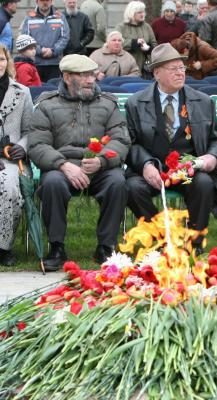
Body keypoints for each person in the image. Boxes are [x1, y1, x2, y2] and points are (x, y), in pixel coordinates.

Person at [28, 54, 130, 270]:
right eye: (83, 75)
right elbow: (37, 145)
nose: (91, 80)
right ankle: (56, 247)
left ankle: (106, 246)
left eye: (92, 75)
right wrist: (63, 165)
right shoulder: (47, 105)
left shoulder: (107, 104)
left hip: (99, 166)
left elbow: (121, 139)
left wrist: (102, 161)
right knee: (52, 183)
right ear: (66, 77)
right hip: (62, 166)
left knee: (117, 182)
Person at [125, 44, 217, 254]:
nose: (180, 72)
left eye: (182, 67)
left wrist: (211, 158)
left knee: (203, 183)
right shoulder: (136, 103)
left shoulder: (203, 102)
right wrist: (145, 165)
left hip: (186, 170)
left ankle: (195, 242)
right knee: (132, 188)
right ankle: (163, 238)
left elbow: (216, 141)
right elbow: (130, 143)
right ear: (156, 73)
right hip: (153, 170)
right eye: (173, 68)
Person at [0, 44, 34, 267]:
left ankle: (3, 247)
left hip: (11, 158)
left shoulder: (22, 92)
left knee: (8, 184)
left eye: (1, 59)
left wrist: (23, 146)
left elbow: (31, 130)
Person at [19, 0, 70, 82]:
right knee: (37, 91)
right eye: (42, 0)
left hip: (54, 63)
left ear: (51, 1)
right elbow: (26, 38)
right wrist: (39, 50)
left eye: (47, 0)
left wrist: (53, 51)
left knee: (53, 91)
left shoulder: (60, 17)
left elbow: (65, 37)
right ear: (37, 1)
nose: (45, 3)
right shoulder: (29, 18)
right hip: (35, 63)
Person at [116, 1, 157, 77]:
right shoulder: (121, 27)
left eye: (143, 12)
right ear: (131, 13)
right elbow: (116, 44)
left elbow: (154, 44)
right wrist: (135, 42)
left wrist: (148, 48)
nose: (143, 14)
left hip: (145, 67)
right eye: (139, 12)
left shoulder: (147, 26)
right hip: (126, 66)